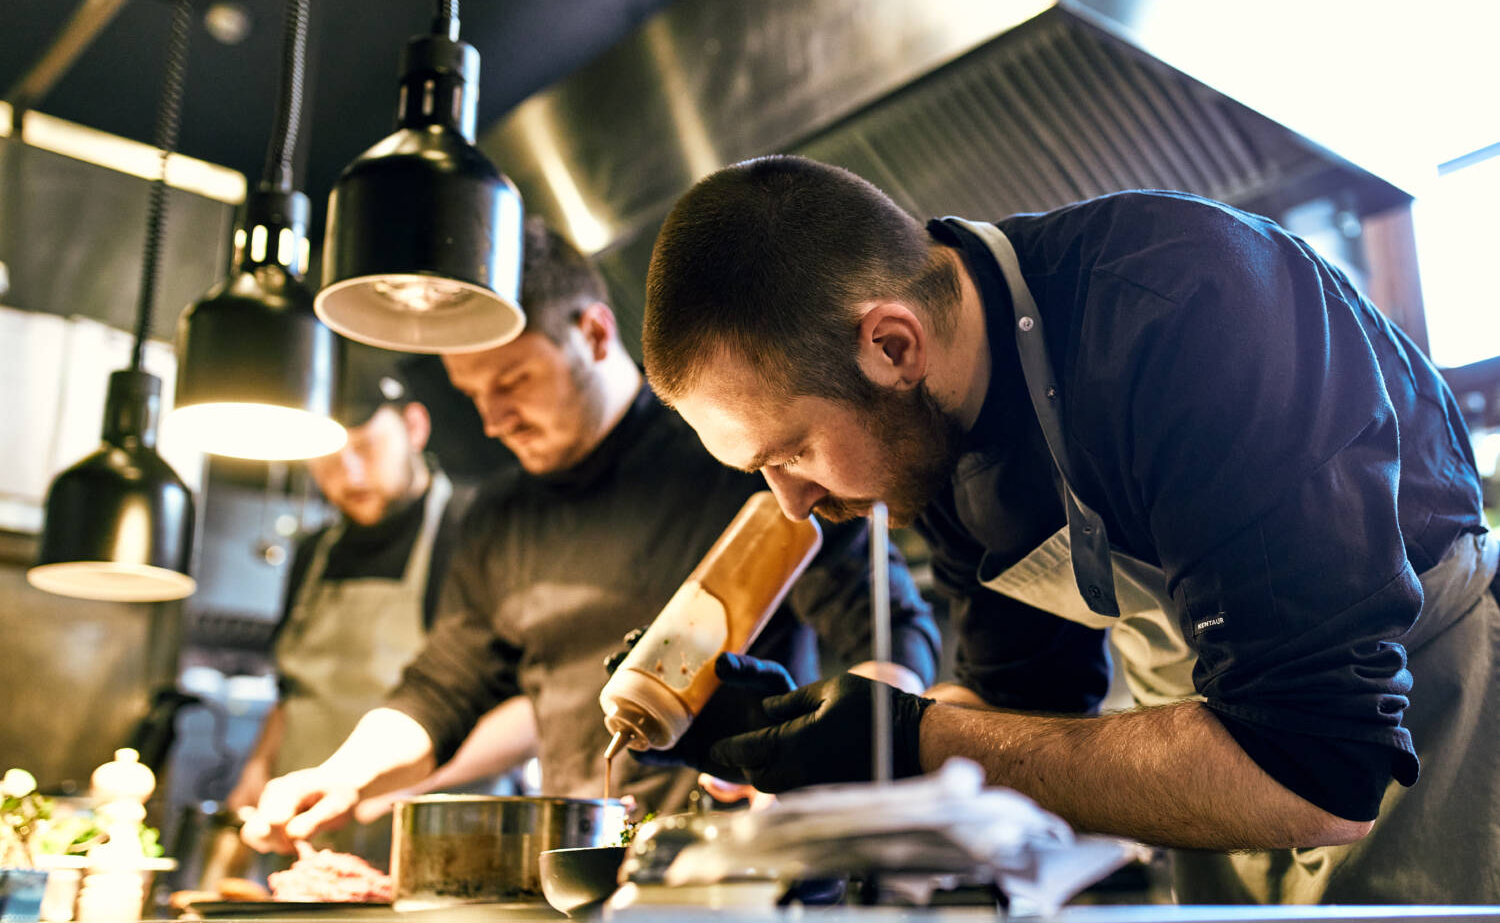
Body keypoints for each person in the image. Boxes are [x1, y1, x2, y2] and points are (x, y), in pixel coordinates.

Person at [638, 155, 1500, 904]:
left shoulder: (1186, 310)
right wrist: (801, 736)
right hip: (1215, 792)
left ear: (893, 348)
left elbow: (1320, 769)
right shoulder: (930, 444)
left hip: (1422, 745)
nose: (789, 502)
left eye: (791, 452)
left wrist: (910, 740)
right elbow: (1025, 709)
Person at [240, 218, 940, 853]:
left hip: (736, 866)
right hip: (583, 863)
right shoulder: (498, 516)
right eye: (474, 393)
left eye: (513, 380)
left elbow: (891, 628)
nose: (493, 419)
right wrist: (342, 774)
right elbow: (442, 689)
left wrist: (834, 755)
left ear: (596, 334)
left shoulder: (739, 458)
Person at [224, 373, 483, 866]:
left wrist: (401, 782)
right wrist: (257, 769)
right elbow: (293, 690)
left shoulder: (472, 529)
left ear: (414, 426)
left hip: (428, 837)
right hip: (302, 834)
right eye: (325, 455)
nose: (349, 475)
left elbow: (501, 700)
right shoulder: (313, 552)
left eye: (365, 447)